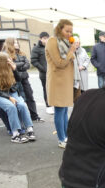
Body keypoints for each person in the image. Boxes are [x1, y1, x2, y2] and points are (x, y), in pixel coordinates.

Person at [45, 19, 77, 148]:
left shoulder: (64, 42)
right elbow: (59, 63)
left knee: (64, 110)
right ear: (59, 29)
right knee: (59, 110)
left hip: (65, 81)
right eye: (67, 31)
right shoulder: (52, 41)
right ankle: (61, 138)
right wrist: (71, 52)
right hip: (57, 81)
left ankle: (65, 136)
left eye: (71, 31)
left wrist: (71, 50)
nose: (69, 34)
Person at [0, 52, 35, 143]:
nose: (10, 60)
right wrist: (9, 98)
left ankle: (29, 130)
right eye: (8, 59)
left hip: (12, 92)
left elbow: (18, 80)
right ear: (2, 62)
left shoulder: (10, 68)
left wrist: (15, 69)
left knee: (22, 105)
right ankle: (15, 135)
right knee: (11, 106)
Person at [2, 38, 44, 122]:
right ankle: (20, 119)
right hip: (14, 81)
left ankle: (34, 116)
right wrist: (21, 64)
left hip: (24, 79)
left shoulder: (21, 53)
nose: (17, 44)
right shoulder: (5, 54)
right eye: (15, 43)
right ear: (10, 44)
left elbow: (27, 65)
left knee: (30, 97)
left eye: (17, 42)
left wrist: (17, 65)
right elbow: (9, 66)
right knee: (18, 99)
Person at [31, 31, 54, 115]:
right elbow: (33, 61)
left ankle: (54, 104)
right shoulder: (36, 48)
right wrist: (43, 69)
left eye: (47, 38)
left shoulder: (51, 47)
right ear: (40, 39)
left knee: (53, 89)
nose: (46, 40)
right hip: (44, 74)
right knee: (46, 89)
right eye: (44, 38)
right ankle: (48, 106)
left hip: (53, 73)